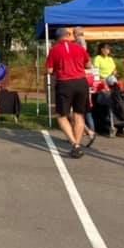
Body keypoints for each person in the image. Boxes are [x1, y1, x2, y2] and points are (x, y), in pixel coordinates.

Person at [45, 27, 90, 158]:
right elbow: (88, 65)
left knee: (62, 115)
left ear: (57, 38)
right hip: (81, 82)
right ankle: (78, 144)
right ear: (68, 35)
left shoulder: (54, 50)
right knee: (79, 114)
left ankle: (74, 144)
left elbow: (49, 69)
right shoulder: (79, 48)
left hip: (65, 83)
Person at [73, 27, 97, 147]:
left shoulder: (79, 44)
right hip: (84, 80)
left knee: (77, 112)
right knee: (82, 111)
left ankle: (87, 132)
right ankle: (86, 132)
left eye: (75, 33)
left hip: (79, 79)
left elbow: (87, 64)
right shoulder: (82, 45)